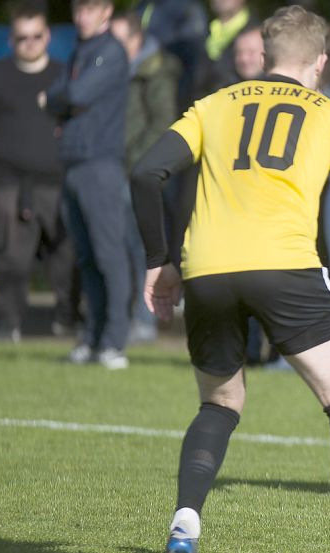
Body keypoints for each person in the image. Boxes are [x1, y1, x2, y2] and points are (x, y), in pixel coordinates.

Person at [128, 7, 330, 552]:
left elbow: (145, 173)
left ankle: (185, 523)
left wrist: (158, 260)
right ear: (320, 62)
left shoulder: (213, 105)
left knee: (219, 404)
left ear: (264, 52)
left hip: (206, 269)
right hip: (284, 268)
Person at [0, 3, 78, 343]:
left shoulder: (65, 75)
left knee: (65, 257)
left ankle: (66, 321)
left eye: (37, 36)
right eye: (23, 38)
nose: (31, 43)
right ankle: (10, 325)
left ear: (47, 35)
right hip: (5, 180)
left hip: (56, 181)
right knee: (12, 260)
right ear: (11, 39)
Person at [44, 0, 133, 370]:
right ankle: (92, 337)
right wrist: (63, 101)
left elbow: (72, 95)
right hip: (74, 164)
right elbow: (53, 98)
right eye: (78, 9)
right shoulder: (81, 50)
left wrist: (64, 101)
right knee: (87, 259)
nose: (81, 16)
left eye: (89, 9)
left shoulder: (110, 51)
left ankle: (114, 342)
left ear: (106, 12)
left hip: (101, 164)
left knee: (109, 256)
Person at [111, 9, 182, 345]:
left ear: (136, 39)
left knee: (143, 249)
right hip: (116, 171)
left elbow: (161, 125)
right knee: (119, 249)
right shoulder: (115, 68)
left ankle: (144, 319)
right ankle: (125, 317)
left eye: (118, 40)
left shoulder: (156, 72)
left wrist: (134, 167)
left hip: (138, 175)